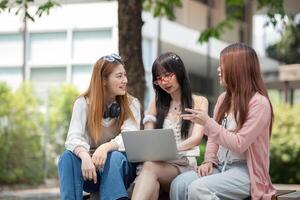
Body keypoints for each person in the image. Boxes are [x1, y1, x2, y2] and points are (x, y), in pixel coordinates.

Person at [170, 43, 276, 200]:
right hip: (220, 167)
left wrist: (207, 123)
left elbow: (240, 143)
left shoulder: (259, 103)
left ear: (238, 69)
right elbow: (214, 137)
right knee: (179, 184)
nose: (218, 69)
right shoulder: (223, 99)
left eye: (223, 65)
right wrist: (209, 160)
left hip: (247, 172)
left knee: (197, 189)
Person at [58, 53, 141, 200]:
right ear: (103, 80)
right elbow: (73, 138)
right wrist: (84, 156)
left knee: (114, 157)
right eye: (119, 76)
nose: (125, 80)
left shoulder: (132, 104)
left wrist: (106, 147)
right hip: (91, 171)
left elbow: (130, 137)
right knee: (66, 158)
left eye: (125, 75)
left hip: (121, 168)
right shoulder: (83, 103)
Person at [131, 52, 208, 200]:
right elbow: (148, 137)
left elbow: (197, 138)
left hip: (183, 164)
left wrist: (171, 150)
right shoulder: (156, 103)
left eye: (167, 75)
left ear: (179, 72)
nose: (164, 81)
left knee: (149, 168)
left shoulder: (199, 101)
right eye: (159, 78)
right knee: (152, 182)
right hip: (158, 164)